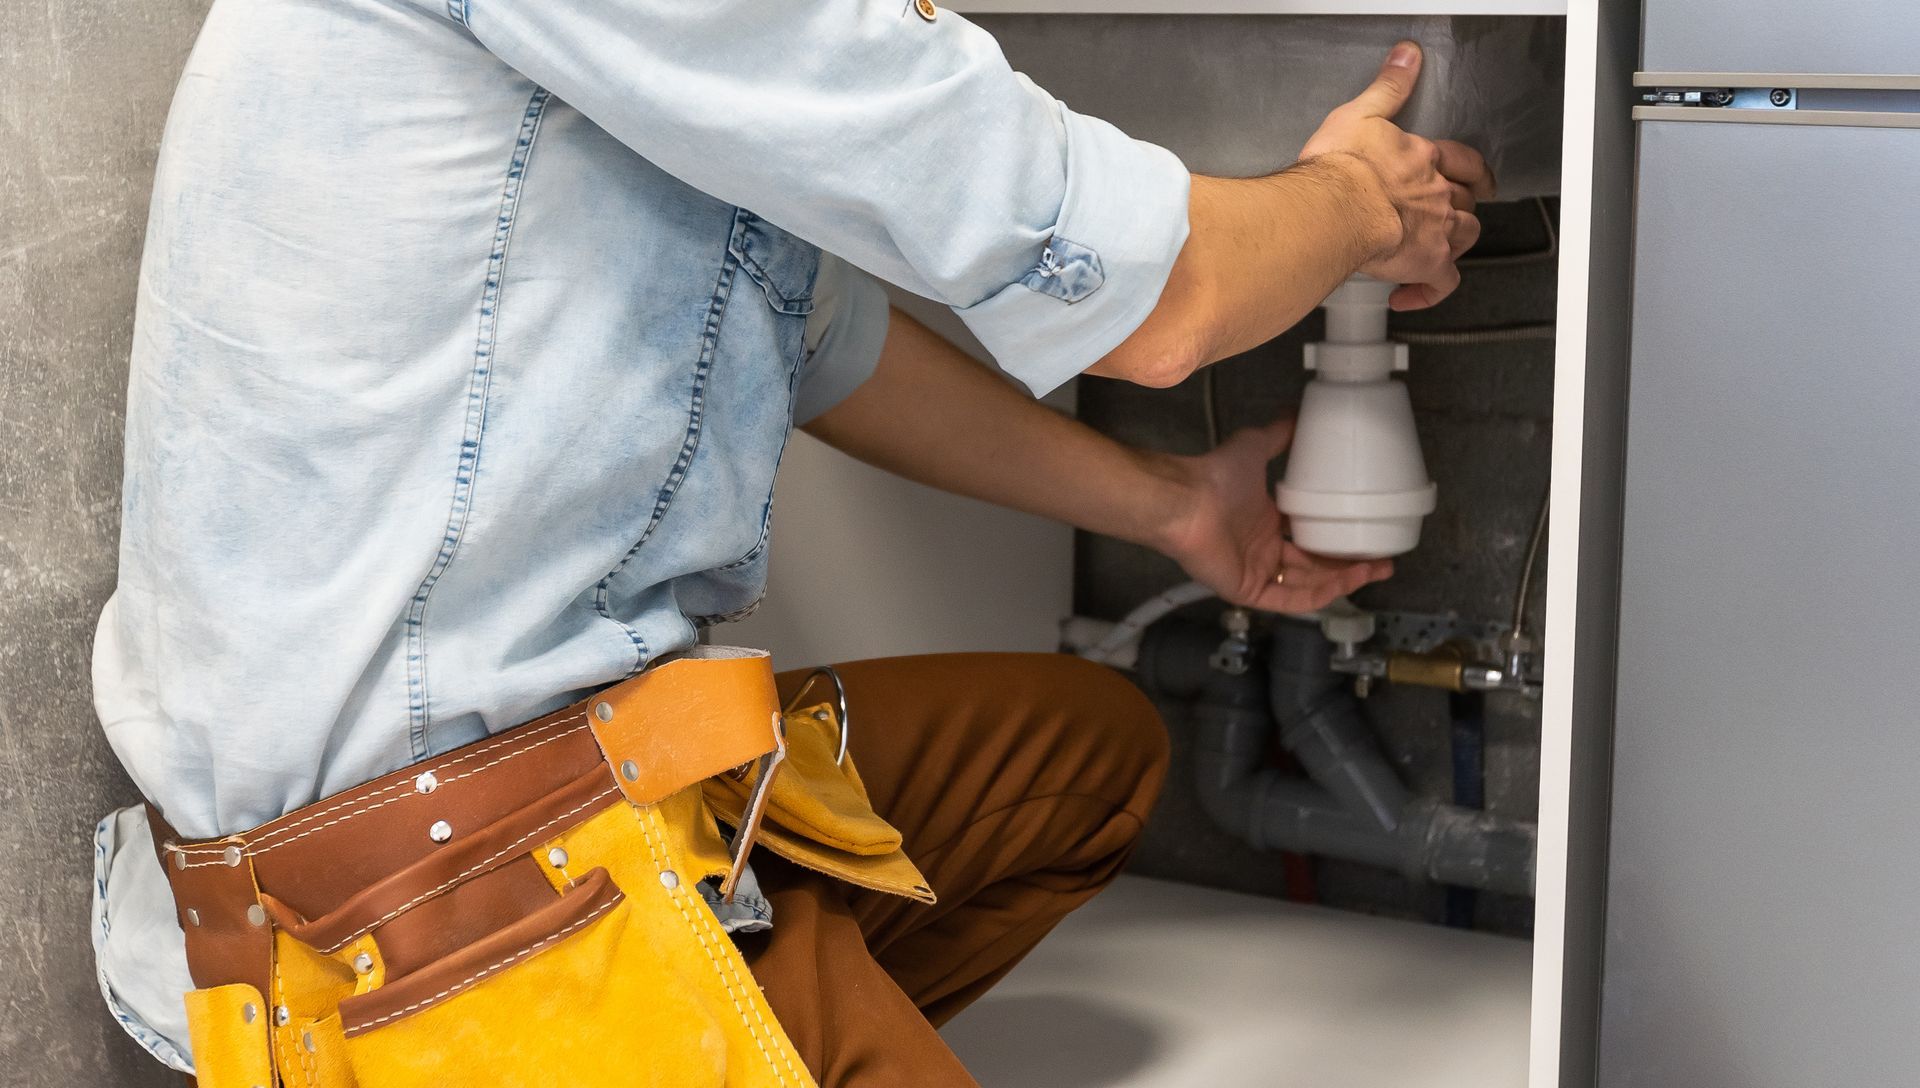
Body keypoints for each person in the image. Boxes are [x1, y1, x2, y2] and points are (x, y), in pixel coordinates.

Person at [88, 1, 1490, 1084]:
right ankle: (675, 1027)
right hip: (435, 900)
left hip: (543, 773)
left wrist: (1174, 505)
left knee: (1090, 757)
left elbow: (807, 332)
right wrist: (1366, 204)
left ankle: (769, 1005)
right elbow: (1165, 298)